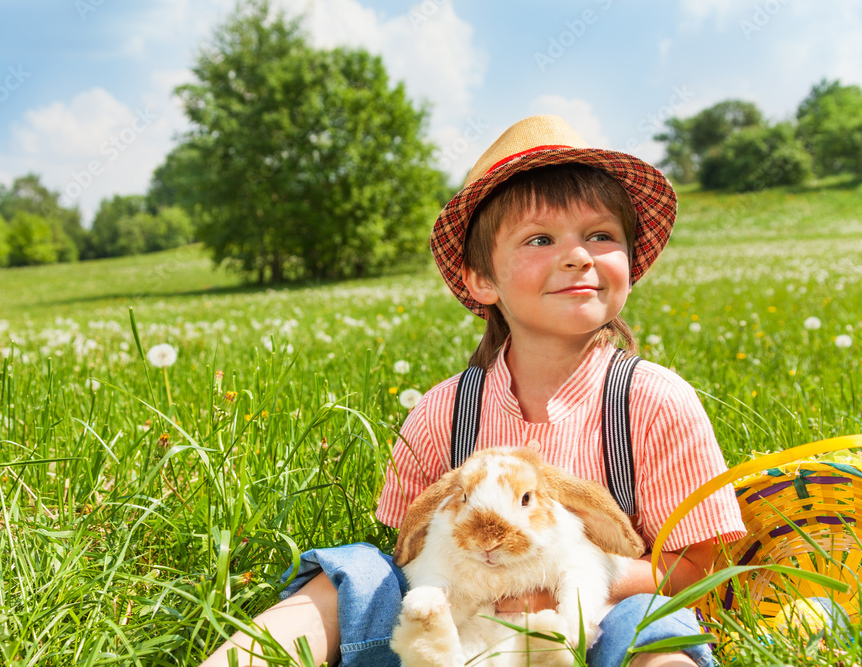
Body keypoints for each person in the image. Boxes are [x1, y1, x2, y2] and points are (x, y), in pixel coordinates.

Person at [201, 115, 747, 667]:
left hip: (591, 632)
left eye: (600, 235)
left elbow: (702, 572)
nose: (578, 254)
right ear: (481, 279)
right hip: (459, 642)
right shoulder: (444, 413)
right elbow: (408, 549)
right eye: (540, 238)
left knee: (651, 622)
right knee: (356, 572)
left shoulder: (654, 402)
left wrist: (562, 580)